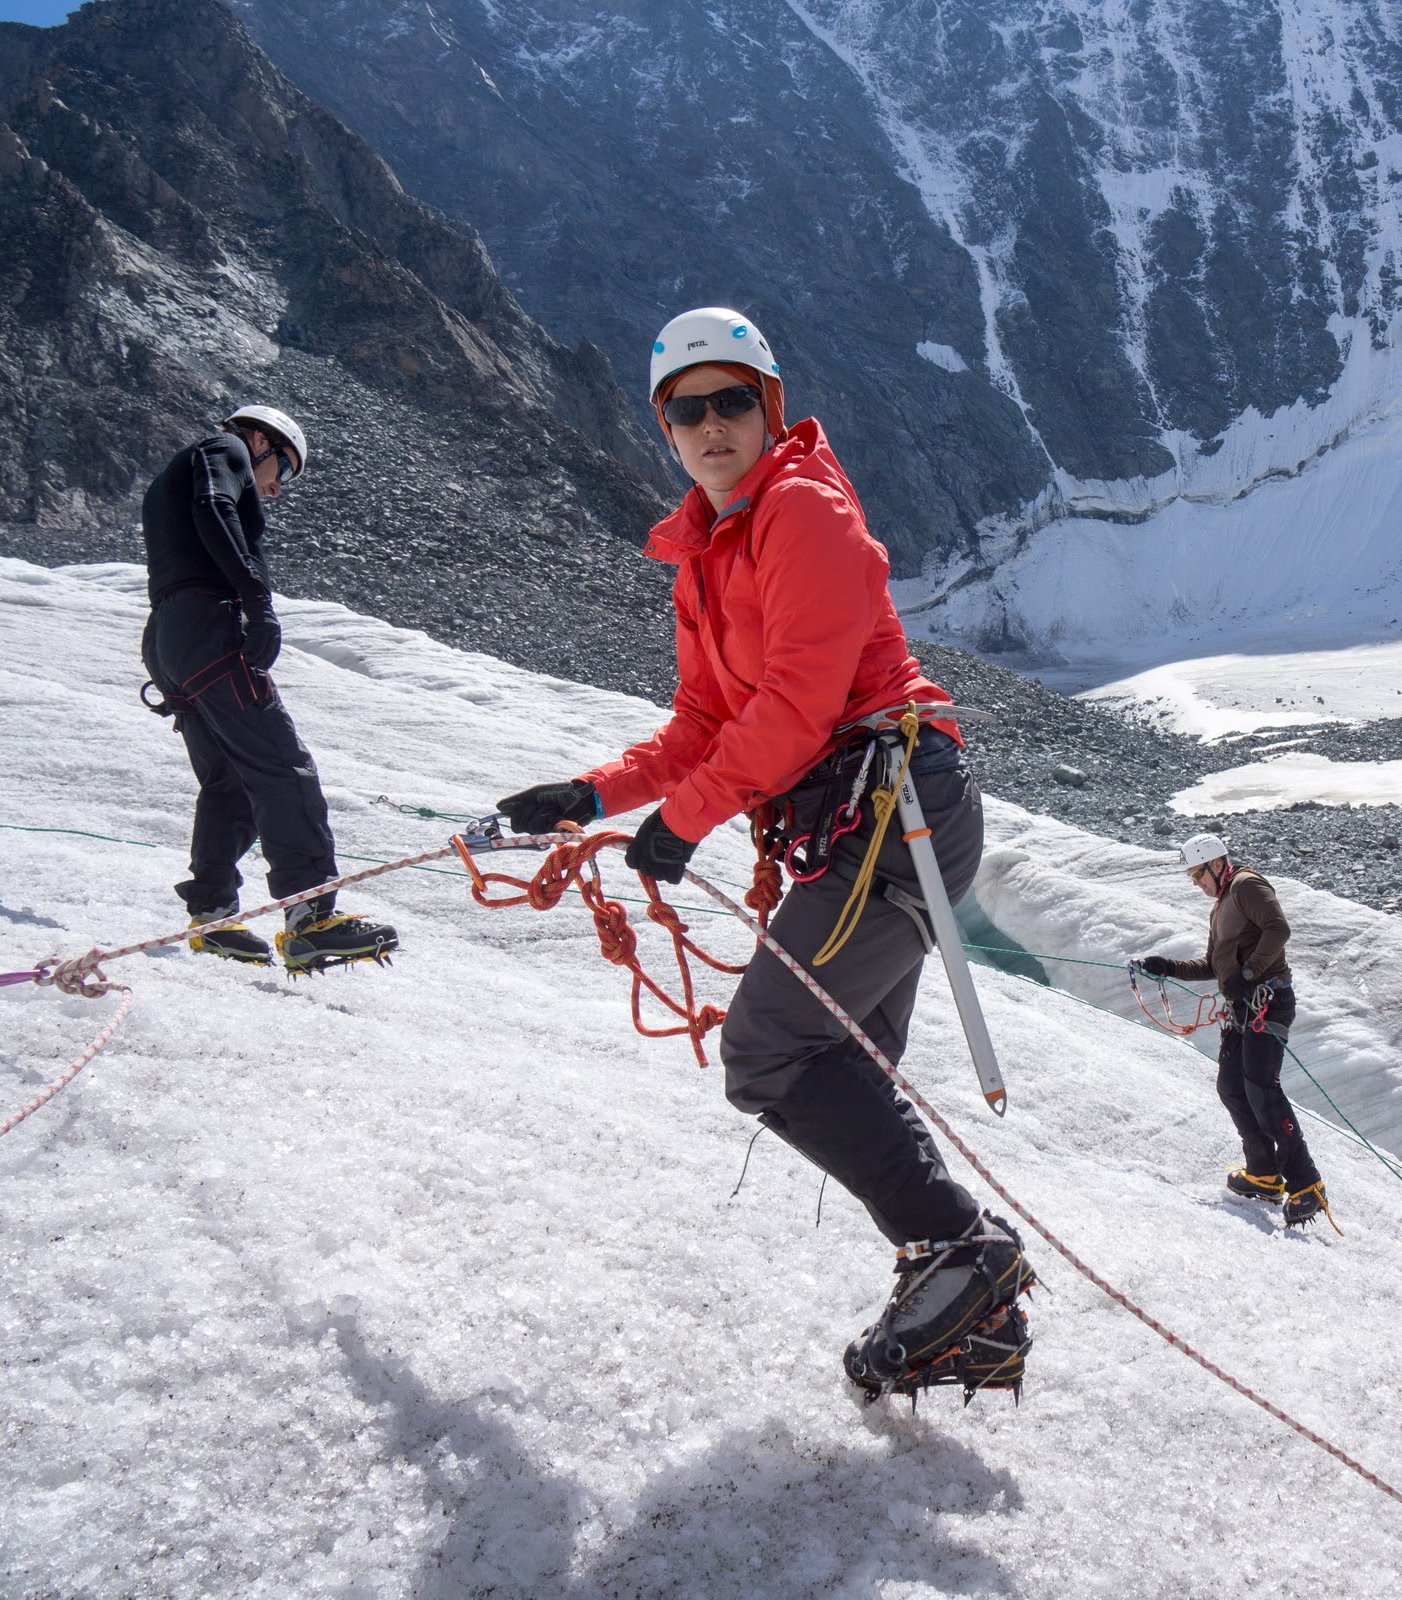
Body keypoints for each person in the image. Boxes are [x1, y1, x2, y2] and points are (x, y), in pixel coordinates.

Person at [495, 308, 1033, 1402]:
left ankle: (965, 1254)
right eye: (685, 410)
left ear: (768, 407)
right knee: (838, 1065)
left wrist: (686, 819)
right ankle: (972, 1317)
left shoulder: (802, 513)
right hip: (861, 823)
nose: (710, 425)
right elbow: (704, 719)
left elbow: (797, 703)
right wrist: (595, 792)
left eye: (731, 399)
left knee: (772, 1049)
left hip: (895, 813)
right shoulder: (704, 554)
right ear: (666, 429)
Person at [138, 405, 397, 974]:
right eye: (281, 468)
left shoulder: (173, 476)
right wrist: (257, 601)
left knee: (229, 783)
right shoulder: (224, 450)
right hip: (209, 625)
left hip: (169, 638)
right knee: (282, 767)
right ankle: (311, 916)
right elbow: (215, 505)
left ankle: (213, 917)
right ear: (260, 440)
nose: (277, 488)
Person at [1132, 833, 1329, 1229]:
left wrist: (1251, 973)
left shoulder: (1246, 886)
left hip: (1268, 1001)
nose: (1195, 883)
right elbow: (1213, 965)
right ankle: (1264, 1173)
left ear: (1216, 864)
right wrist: (1167, 966)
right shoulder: (1222, 902)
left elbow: (1278, 929)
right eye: (1191, 877)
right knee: (1232, 1087)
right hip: (1244, 1006)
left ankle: (1307, 1184)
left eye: (1196, 874)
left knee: (1262, 1089)